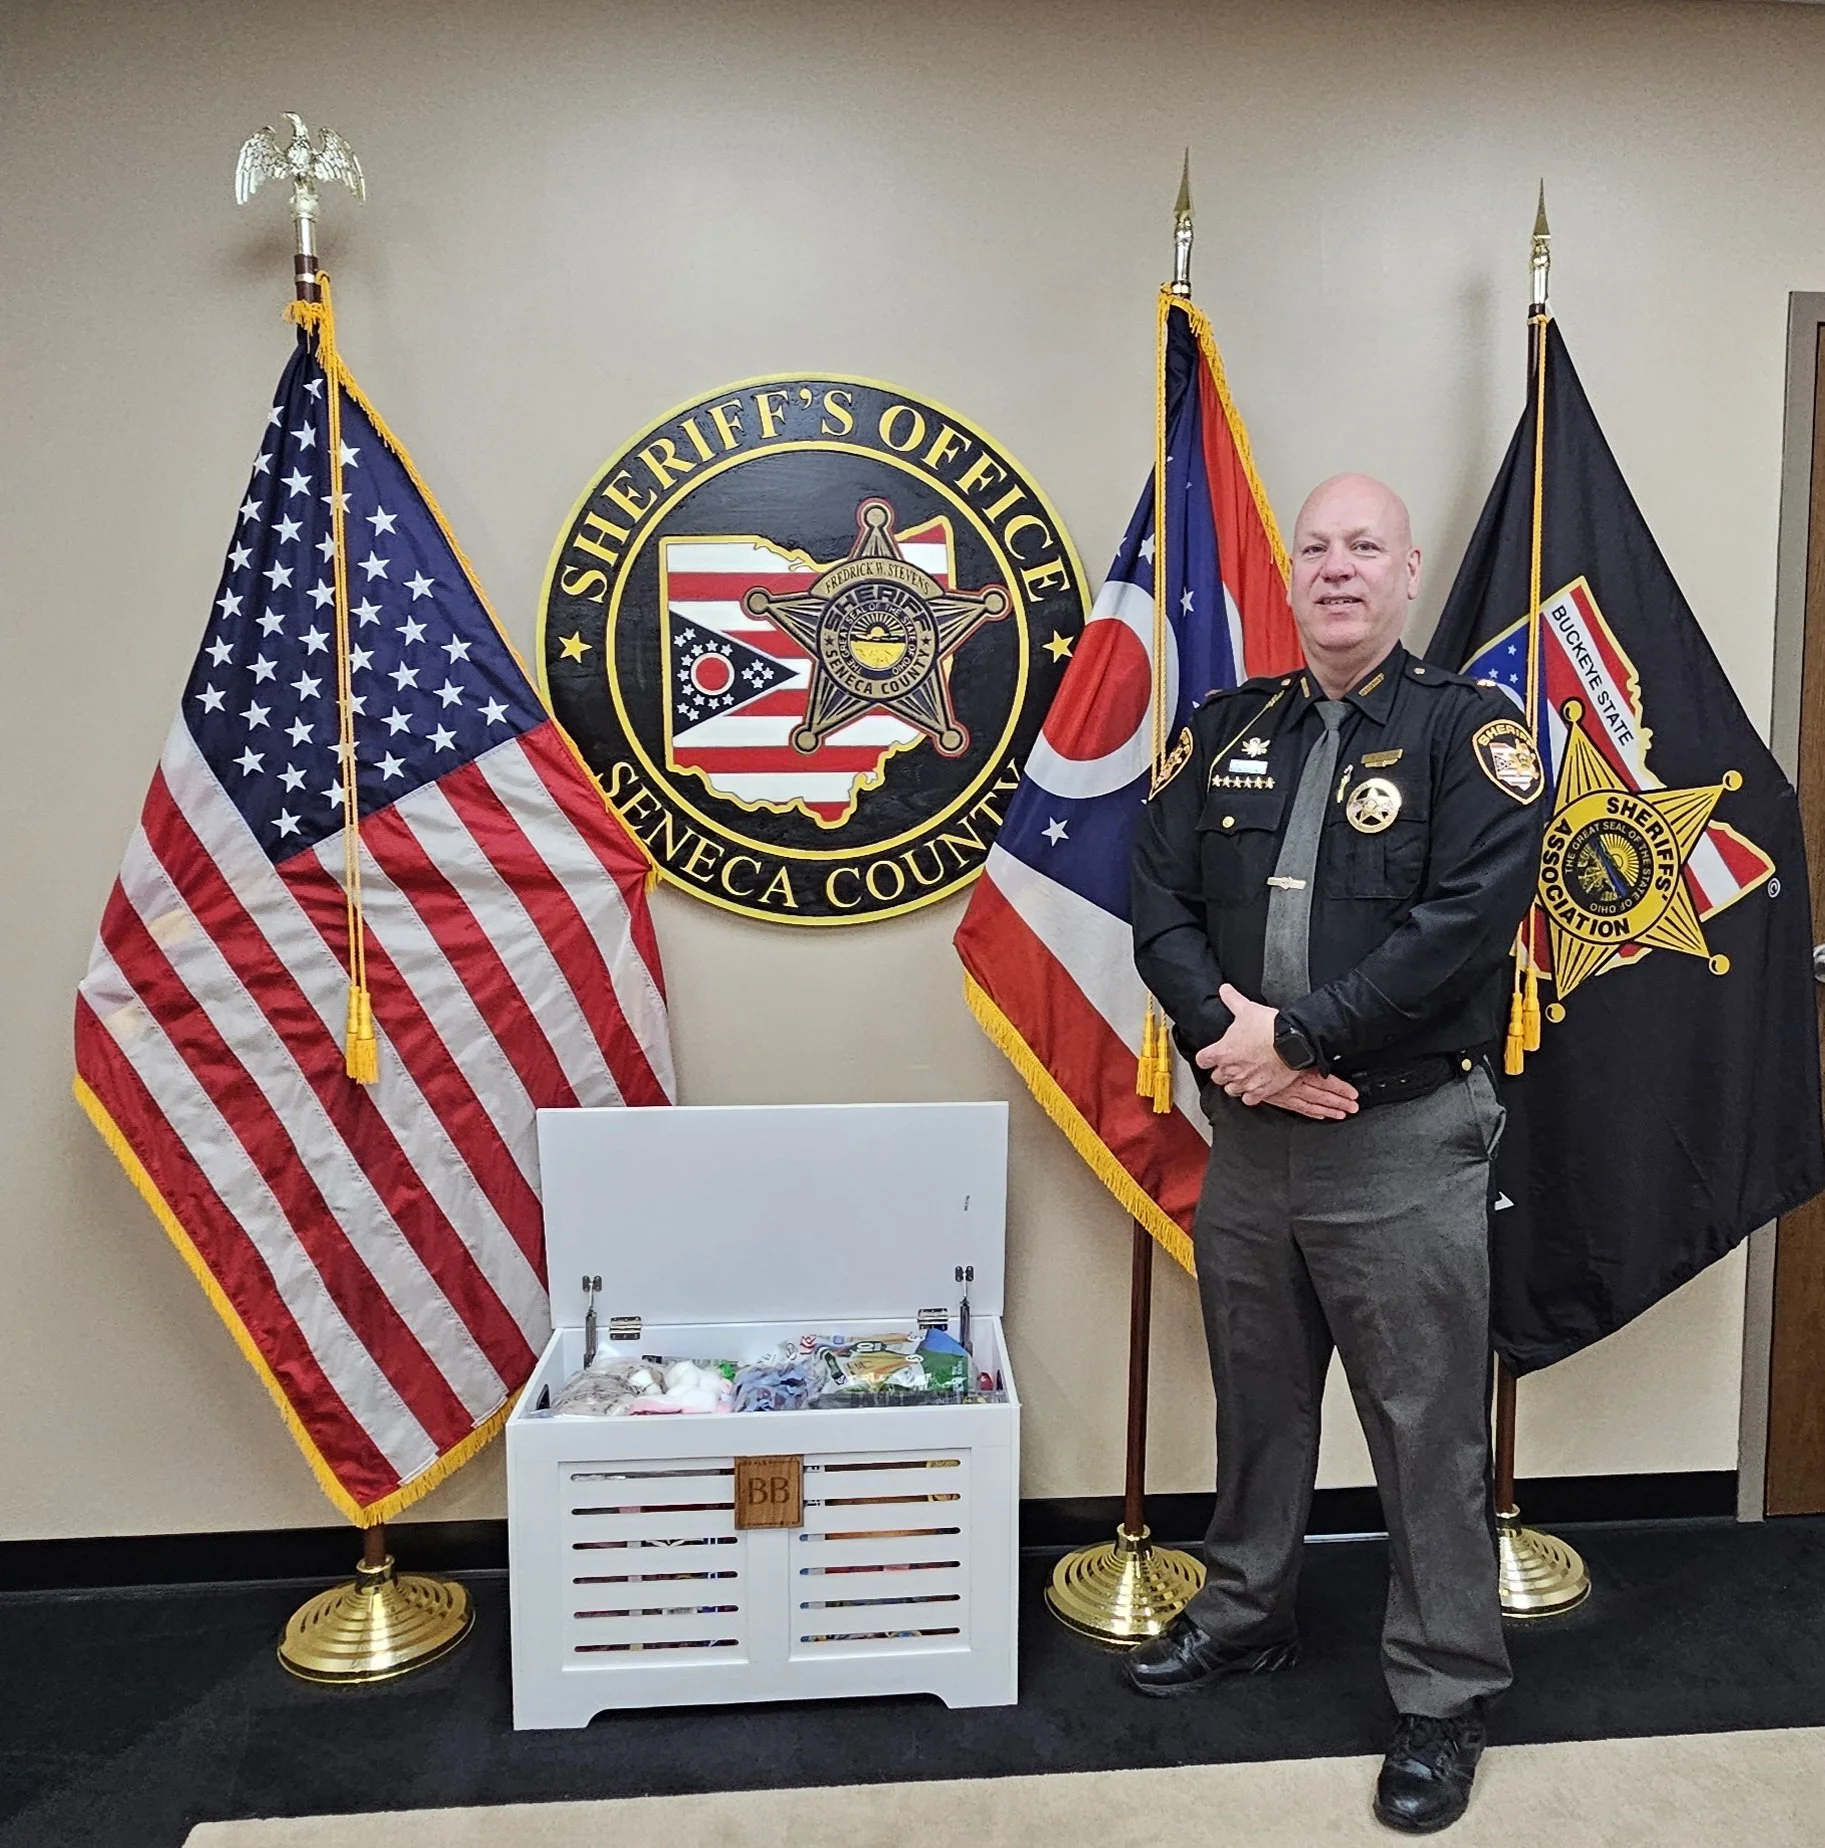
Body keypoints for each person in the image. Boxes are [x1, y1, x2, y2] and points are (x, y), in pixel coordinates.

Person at [1127, 474, 1547, 1834]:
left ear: (1410, 571)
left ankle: (1441, 1693)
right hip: (1252, 1139)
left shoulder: (1471, 736)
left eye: (1364, 547)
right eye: (1314, 548)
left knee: (1424, 1425)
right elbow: (1158, 901)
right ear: (1290, 577)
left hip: (1402, 1138)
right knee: (1255, 1399)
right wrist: (1232, 1042)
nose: (1336, 569)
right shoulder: (1223, 727)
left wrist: (1299, 1037)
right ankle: (1246, 1611)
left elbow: (1462, 929)